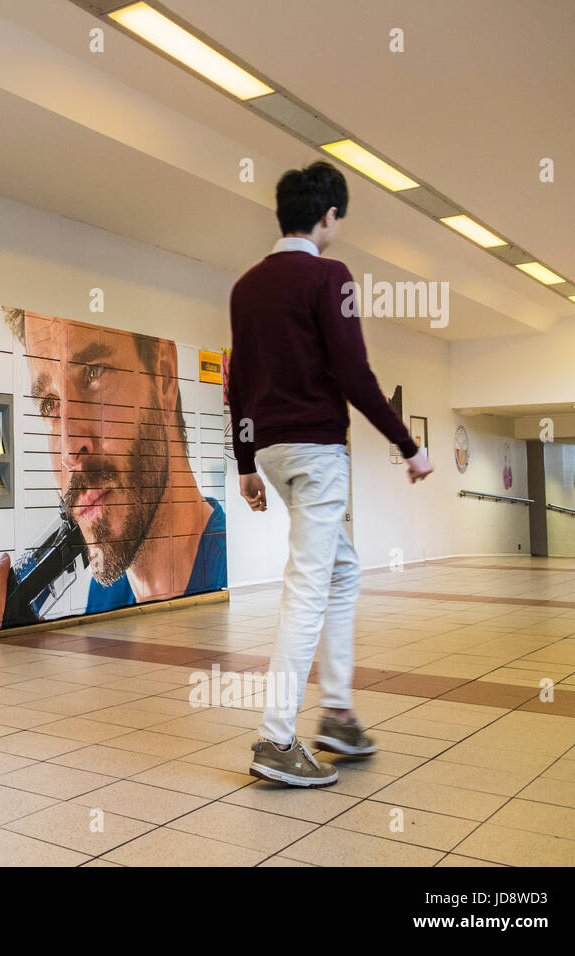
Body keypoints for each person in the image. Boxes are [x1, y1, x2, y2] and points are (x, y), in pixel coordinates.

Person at [229, 161, 433, 788]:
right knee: (310, 584)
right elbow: (353, 372)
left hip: (273, 453)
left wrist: (246, 464)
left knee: (341, 570)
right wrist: (407, 444)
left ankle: (339, 714)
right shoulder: (330, 276)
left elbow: (237, 382)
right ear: (329, 216)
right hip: (317, 452)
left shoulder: (246, 287)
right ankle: (276, 737)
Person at [0, 311, 225, 637]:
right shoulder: (106, 596)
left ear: (163, 375)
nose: (68, 451)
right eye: (50, 404)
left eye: (93, 373)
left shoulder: (236, 584)